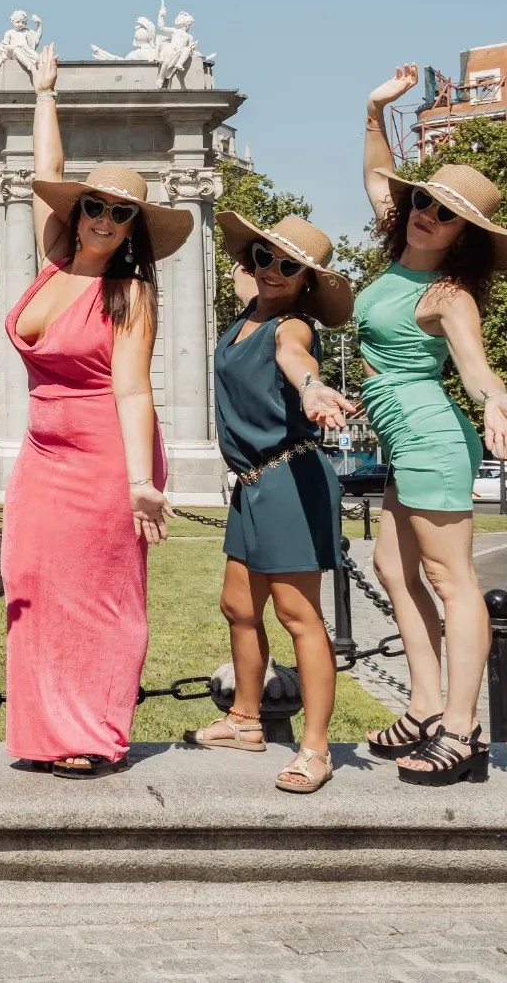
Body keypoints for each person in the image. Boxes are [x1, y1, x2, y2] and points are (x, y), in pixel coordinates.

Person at [2, 42, 191, 779]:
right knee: (32, 580)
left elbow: (134, 389)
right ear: (78, 212)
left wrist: (142, 480)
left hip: (109, 452)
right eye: (97, 205)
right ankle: (47, 730)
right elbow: (48, 175)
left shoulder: (131, 292)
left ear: (133, 225)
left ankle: (96, 730)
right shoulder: (54, 258)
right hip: (42, 453)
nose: (106, 218)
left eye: (121, 212)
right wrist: (45, 91)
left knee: (99, 596)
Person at [356, 64, 507, 786]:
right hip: (406, 438)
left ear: (464, 233)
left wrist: (494, 397)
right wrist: (374, 111)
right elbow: (378, 172)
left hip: (430, 433)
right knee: (391, 568)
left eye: (446, 213)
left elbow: (474, 365)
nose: (428, 214)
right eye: (426, 202)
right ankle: (426, 706)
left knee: (451, 578)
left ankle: (463, 732)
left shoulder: (447, 292)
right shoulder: (397, 244)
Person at [186, 214, 358, 794]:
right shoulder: (248, 311)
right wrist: (251, 262)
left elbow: (293, 356)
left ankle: (315, 748)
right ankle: (244, 720)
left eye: (290, 265)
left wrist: (310, 386)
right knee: (237, 605)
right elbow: (244, 276)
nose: (272, 270)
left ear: (307, 279)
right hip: (252, 481)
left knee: (298, 616)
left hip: (289, 476)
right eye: (264, 257)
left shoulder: (292, 326)